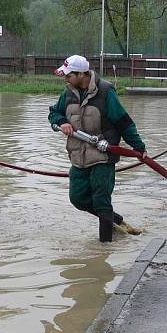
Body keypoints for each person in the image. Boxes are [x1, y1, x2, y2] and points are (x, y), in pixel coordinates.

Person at [48, 55, 146, 242]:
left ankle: (104, 248)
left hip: (103, 156)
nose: (65, 78)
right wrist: (61, 121)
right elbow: (54, 112)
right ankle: (114, 219)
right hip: (78, 157)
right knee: (77, 198)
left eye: (69, 75)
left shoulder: (106, 92)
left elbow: (124, 122)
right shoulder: (67, 93)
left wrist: (139, 147)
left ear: (82, 74)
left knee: (101, 201)